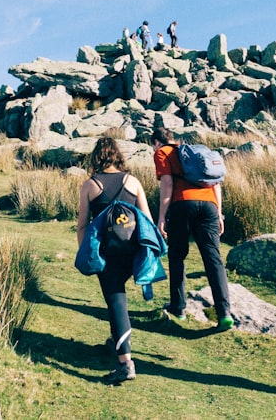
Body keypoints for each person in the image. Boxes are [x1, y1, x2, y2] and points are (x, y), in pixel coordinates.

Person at [77, 137, 155, 384]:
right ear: (118, 156)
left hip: (106, 253)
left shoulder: (90, 185)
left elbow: (82, 225)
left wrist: (86, 254)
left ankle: (125, 363)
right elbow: (147, 221)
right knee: (117, 297)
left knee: (116, 300)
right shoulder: (132, 181)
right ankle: (116, 341)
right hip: (131, 251)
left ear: (96, 157)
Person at [151, 127, 233, 330]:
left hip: (183, 204)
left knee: (177, 255)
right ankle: (224, 313)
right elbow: (215, 184)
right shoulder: (194, 152)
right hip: (209, 206)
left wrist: (161, 217)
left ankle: (178, 307)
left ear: (156, 142)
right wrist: (219, 213)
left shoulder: (162, 153)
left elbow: (167, 184)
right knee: (213, 258)